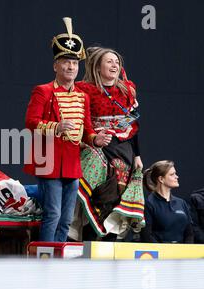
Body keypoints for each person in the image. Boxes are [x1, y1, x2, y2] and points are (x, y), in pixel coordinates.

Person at [24, 18, 110, 242]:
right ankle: (45, 257)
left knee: (66, 218)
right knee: (52, 213)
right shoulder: (43, 91)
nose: (71, 67)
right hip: (49, 161)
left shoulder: (83, 96)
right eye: (66, 62)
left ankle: (58, 258)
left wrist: (96, 139)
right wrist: (56, 126)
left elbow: (87, 131)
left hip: (72, 163)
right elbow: (31, 122)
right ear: (55, 65)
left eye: (74, 63)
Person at [75, 47, 145, 240]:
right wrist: (91, 140)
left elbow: (133, 124)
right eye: (109, 61)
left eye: (117, 62)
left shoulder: (127, 90)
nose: (114, 65)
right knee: (96, 195)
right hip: (98, 147)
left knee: (117, 196)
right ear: (97, 67)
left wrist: (137, 156)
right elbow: (83, 122)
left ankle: (109, 243)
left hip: (124, 150)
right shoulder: (84, 90)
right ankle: (85, 241)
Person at [141, 160, 194, 243]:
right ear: (161, 179)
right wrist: (164, 252)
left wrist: (185, 251)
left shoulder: (182, 203)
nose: (177, 177)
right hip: (160, 253)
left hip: (182, 254)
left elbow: (189, 234)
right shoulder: (148, 203)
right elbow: (146, 235)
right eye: (172, 174)